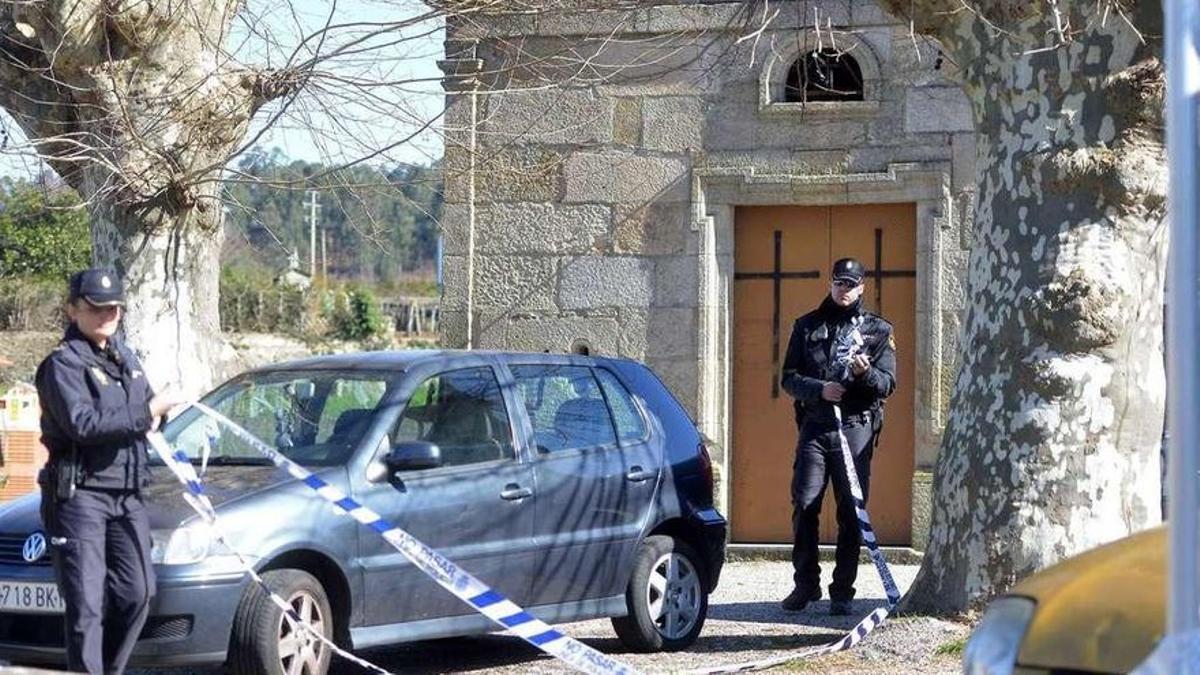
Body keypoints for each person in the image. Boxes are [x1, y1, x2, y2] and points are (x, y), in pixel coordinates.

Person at [35, 269, 181, 674]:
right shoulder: (62, 365)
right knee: (87, 604)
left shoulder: (125, 357)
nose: (107, 315)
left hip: (127, 491)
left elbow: (146, 409)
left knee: (138, 592)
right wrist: (146, 412)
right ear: (73, 309)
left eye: (114, 308)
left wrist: (157, 416)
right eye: (96, 308)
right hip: (81, 494)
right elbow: (83, 424)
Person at [779, 257, 896, 616]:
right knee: (805, 501)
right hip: (816, 427)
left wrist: (864, 376)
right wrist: (818, 390)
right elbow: (788, 378)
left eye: (850, 284)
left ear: (862, 287)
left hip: (855, 427)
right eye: (838, 283)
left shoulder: (879, 330)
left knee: (850, 510)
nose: (843, 290)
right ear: (831, 284)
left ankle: (842, 590)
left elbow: (888, 384)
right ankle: (805, 583)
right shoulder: (807, 325)